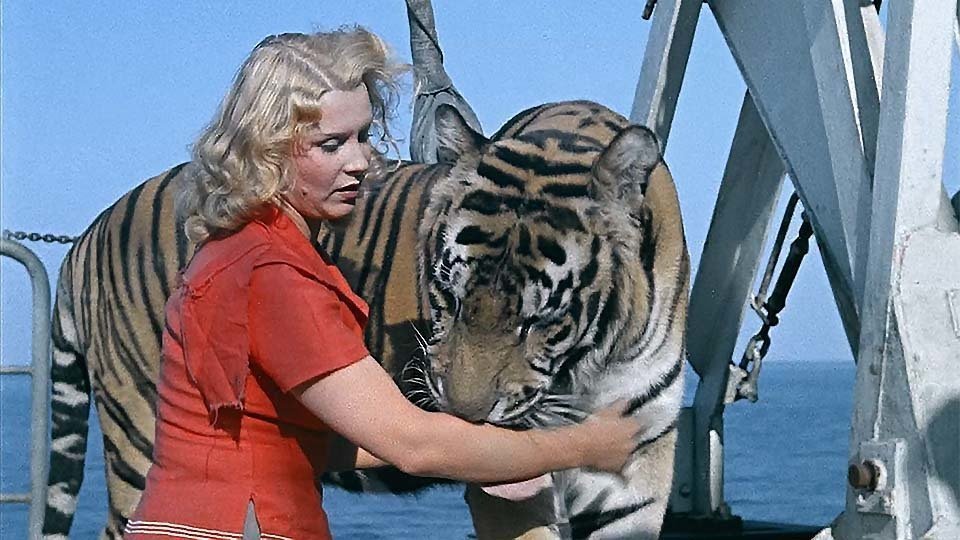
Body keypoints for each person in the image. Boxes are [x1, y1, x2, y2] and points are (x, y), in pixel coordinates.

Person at [124, 27, 643, 540]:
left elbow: (303, 439)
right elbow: (412, 446)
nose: (360, 162)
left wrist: (496, 451)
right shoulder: (272, 273)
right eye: (331, 144)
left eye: (364, 137)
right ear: (268, 150)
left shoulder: (244, 250)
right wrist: (585, 445)